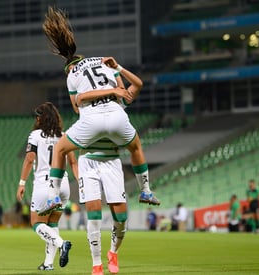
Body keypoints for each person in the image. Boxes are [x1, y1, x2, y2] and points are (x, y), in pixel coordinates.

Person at [40, 6, 160, 215]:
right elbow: (135, 85)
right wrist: (118, 70)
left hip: (93, 125)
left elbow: (77, 103)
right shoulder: (112, 81)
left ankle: (53, 196)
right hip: (118, 120)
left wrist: (101, 93)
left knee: (60, 149)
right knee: (136, 148)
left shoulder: (72, 73)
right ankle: (146, 190)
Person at [75, 55, 147, 274]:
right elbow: (77, 99)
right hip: (89, 160)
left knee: (122, 218)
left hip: (112, 161)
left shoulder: (120, 103)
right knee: (93, 214)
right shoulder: (87, 103)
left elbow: (137, 84)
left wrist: (118, 69)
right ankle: (96, 263)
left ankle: (113, 252)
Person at [16, 102, 78, 270]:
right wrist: (80, 182)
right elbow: (73, 162)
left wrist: (22, 183)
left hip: (45, 183)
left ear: (41, 118)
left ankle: (61, 243)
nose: (36, 118)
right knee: (52, 224)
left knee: (37, 223)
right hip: (63, 183)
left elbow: (29, 159)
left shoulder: (35, 135)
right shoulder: (64, 135)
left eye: (38, 115)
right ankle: (48, 263)